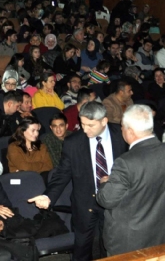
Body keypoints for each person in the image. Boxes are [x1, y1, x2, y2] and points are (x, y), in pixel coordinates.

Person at [28, 101, 128, 261]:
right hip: (85, 203)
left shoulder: (122, 135)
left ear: (104, 121)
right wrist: (48, 196)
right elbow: (62, 173)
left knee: (111, 248)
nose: (85, 129)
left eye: (90, 125)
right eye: (82, 124)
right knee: (81, 250)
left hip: (115, 201)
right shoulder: (73, 142)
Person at [96, 104, 165, 256]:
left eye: (122, 127)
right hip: (164, 234)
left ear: (130, 131)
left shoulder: (126, 162)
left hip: (130, 242)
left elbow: (107, 200)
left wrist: (105, 184)